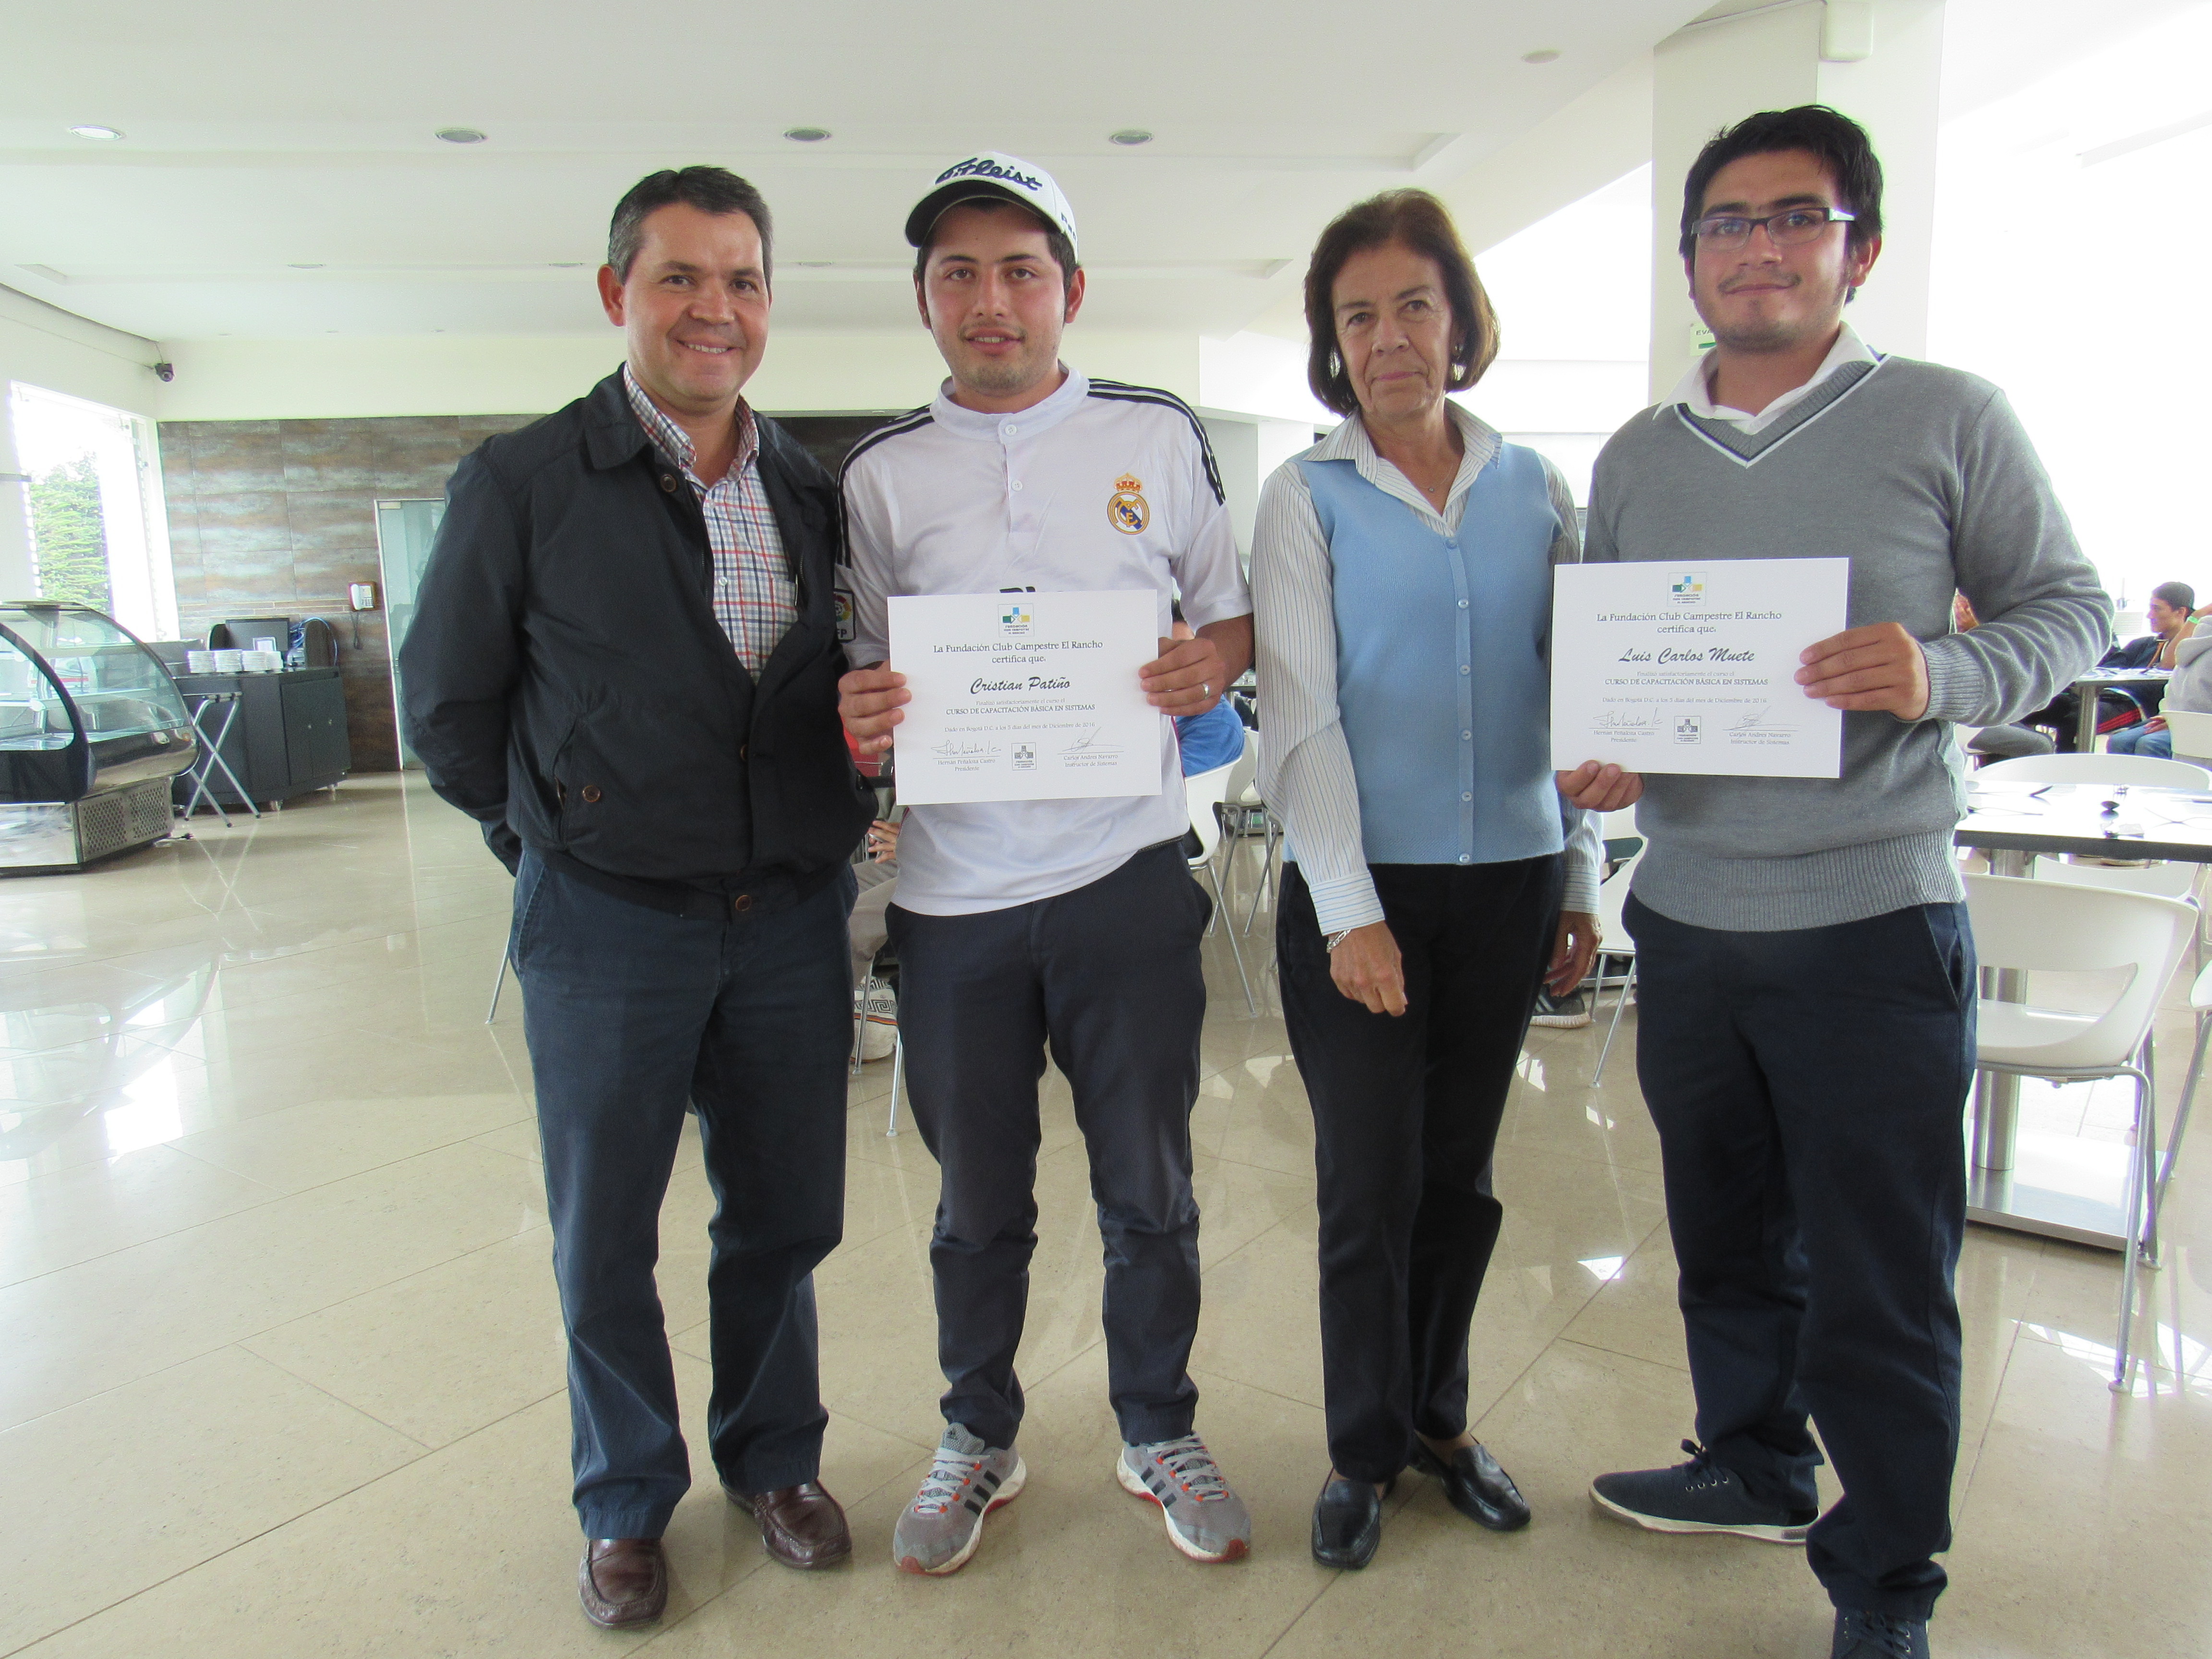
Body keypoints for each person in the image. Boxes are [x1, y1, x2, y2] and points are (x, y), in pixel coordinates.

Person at [1558, 108, 2108, 1659]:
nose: (1758, 247)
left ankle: (1882, 1582)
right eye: (1725, 223)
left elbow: (2067, 610)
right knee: (1725, 1236)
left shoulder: (1945, 414)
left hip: (1871, 920)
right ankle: (1749, 1462)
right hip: (1688, 919)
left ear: (1854, 250)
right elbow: (1626, 668)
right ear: (1688, 261)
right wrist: (1609, 758)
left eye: (1795, 216)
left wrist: (1939, 672)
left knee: (1880, 1277)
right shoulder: (1636, 455)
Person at [399, 166, 872, 1630]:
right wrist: (552, 837)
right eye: (680, 277)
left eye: (742, 281)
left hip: (789, 919)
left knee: (783, 1216)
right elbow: (448, 710)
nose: (713, 309)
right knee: (604, 1232)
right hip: (606, 921)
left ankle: (774, 1461)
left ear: (769, 304)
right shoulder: (525, 482)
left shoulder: (813, 490)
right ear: (619, 294)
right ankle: (622, 1501)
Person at [837, 153, 1256, 1575]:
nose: (991, 300)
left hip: (1122, 871)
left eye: (1020, 271)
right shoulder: (882, 474)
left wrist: (1206, 662)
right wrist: (863, 706)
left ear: (1070, 289)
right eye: (958, 273)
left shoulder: (1154, 432)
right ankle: (979, 1434)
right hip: (952, 897)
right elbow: (864, 665)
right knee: (976, 1204)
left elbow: (1228, 617)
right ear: (924, 300)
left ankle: (1158, 1427)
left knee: (1150, 1184)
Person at [1251, 188, 1602, 1571]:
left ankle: (1438, 1423)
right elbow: (1300, 716)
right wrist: (1352, 913)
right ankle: (1362, 1449)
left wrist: (1578, 879)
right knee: (1368, 1181)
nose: (1388, 337)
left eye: (1413, 305)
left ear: (1459, 320)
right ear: (1332, 344)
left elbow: (1570, 697)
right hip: (1360, 887)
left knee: (1460, 1177)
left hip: (1509, 879)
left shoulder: (1535, 486)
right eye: (1359, 316)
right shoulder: (1306, 495)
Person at [2024, 580, 2192, 749]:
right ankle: (2027, 753)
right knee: (2034, 706)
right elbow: (2107, 669)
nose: (2150, 615)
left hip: (2134, 705)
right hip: (2102, 696)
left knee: (2077, 721)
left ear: (2181, 612)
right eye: (2150, 608)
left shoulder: (2188, 651)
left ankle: (2066, 764)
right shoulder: (2141, 644)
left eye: (2157, 609)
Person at [2108, 602, 2212, 757]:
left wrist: (2184, 721)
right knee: (2120, 741)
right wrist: (2174, 717)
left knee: (2150, 744)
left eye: (2156, 608)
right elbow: (2172, 670)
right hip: (2183, 716)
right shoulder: (2197, 640)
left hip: (2199, 722)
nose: (2150, 615)